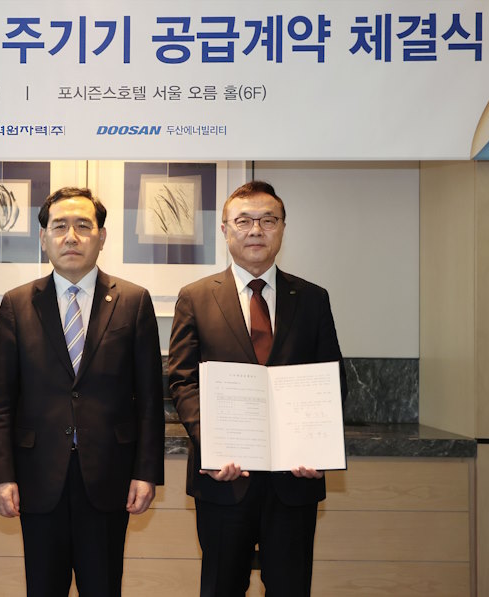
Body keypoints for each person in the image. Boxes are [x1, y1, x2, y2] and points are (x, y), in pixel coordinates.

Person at [168, 181, 346, 596]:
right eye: (244, 221)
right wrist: (211, 446)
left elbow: (331, 377)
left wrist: (316, 448)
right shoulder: (195, 298)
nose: (255, 230)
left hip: (293, 480)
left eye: (268, 220)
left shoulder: (313, 298)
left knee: (290, 587)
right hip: (224, 477)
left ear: (283, 228)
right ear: (226, 230)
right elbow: (181, 380)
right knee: (221, 587)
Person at [0, 186, 165, 597]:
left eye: (84, 225)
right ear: (43, 237)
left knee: (103, 588)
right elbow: (1, 403)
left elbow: (150, 399)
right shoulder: (16, 304)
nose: (71, 236)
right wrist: (1, 475)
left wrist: (146, 471)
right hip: (37, 477)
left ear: (102, 237)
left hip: (110, 475)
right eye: (60, 226)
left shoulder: (134, 301)